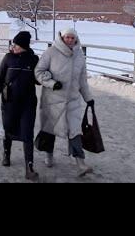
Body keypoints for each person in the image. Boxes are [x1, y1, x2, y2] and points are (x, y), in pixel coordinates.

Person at [34, 28, 95, 177]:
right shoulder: (51, 52)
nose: (69, 40)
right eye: (67, 37)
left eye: (72, 37)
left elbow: (82, 79)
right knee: (50, 130)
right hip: (53, 100)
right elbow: (38, 71)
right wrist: (52, 83)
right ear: (62, 37)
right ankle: (49, 155)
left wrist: (88, 98)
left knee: (75, 131)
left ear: (76, 38)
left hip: (73, 100)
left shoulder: (79, 55)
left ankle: (80, 163)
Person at [0, 31, 40, 181]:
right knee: (8, 129)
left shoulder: (34, 59)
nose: (13, 47)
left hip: (28, 103)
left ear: (24, 46)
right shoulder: (8, 58)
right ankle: (6, 153)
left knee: (27, 133)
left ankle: (29, 166)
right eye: (13, 44)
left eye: (16, 45)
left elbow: (39, 80)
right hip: (9, 101)